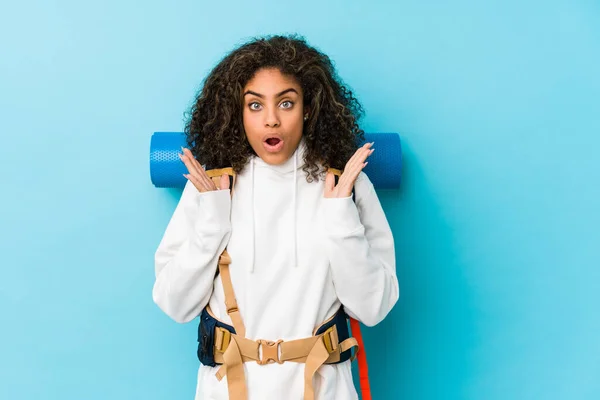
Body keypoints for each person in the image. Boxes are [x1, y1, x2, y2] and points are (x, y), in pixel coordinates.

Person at [153, 34, 399, 400]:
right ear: (236, 112)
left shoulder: (344, 181)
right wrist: (212, 220)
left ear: (309, 109)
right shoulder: (213, 184)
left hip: (324, 389)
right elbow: (175, 304)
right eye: (255, 105)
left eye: (286, 103)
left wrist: (339, 215)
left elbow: (373, 308)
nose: (271, 120)